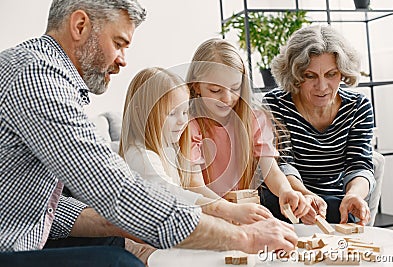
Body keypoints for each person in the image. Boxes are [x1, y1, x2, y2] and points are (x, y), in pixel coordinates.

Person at [0, 1, 298, 266]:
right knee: (117, 261)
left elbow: (43, 207)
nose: (123, 59)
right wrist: (243, 238)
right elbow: (117, 190)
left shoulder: (42, 74)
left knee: (119, 242)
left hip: (22, 240)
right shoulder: (37, 78)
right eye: (119, 43)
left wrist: (113, 223)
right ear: (80, 25)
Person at [119, 67, 272, 225]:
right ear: (141, 113)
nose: (182, 121)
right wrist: (228, 210)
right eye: (172, 114)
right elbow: (173, 195)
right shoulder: (141, 157)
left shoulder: (169, 149)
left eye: (185, 112)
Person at [186, 38, 313, 222]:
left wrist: (286, 190)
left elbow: (271, 171)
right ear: (196, 86)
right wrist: (229, 210)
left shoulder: (255, 119)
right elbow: (194, 185)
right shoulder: (190, 125)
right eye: (215, 90)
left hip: (241, 211)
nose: (227, 98)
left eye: (235, 88)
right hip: (205, 215)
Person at [262, 24, 376, 225]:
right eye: (310, 76)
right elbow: (282, 164)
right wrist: (305, 196)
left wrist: (354, 195)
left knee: (337, 210)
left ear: (342, 72)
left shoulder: (358, 106)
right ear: (296, 76)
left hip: (334, 201)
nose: (322, 87)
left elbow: (359, 164)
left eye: (331, 74)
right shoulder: (275, 104)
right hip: (288, 198)